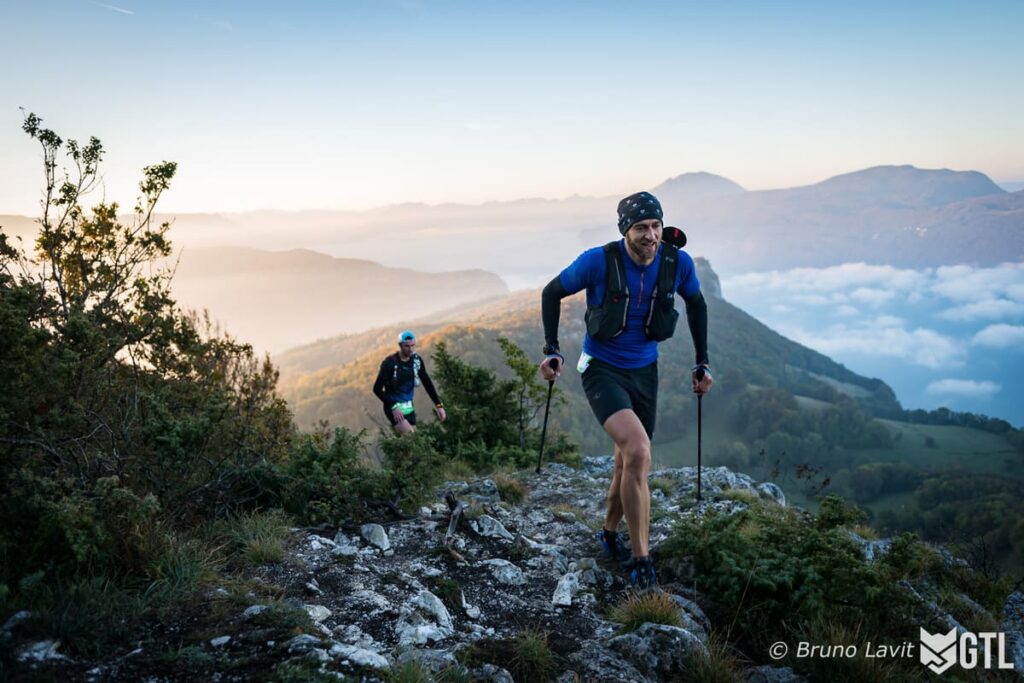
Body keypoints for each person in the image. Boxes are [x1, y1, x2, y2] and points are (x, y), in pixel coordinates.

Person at [538, 191, 714, 588]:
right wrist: (552, 350)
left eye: (656, 226)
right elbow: (551, 292)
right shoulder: (598, 261)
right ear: (624, 231)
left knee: (625, 463)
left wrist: (702, 362)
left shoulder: (677, 262)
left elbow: (697, 304)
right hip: (600, 368)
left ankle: (608, 532)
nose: (650, 235)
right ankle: (641, 560)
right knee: (637, 451)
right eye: (640, 228)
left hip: (645, 371)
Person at [373, 330, 446, 434]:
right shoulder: (390, 363)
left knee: (414, 441)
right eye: (407, 346)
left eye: (412, 345)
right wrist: (393, 406)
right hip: (394, 409)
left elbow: (427, 383)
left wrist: (439, 405)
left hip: (409, 407)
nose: (411, 349)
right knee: (411, 438)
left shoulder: (416, 361)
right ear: (400, 345)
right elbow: (377, 389)